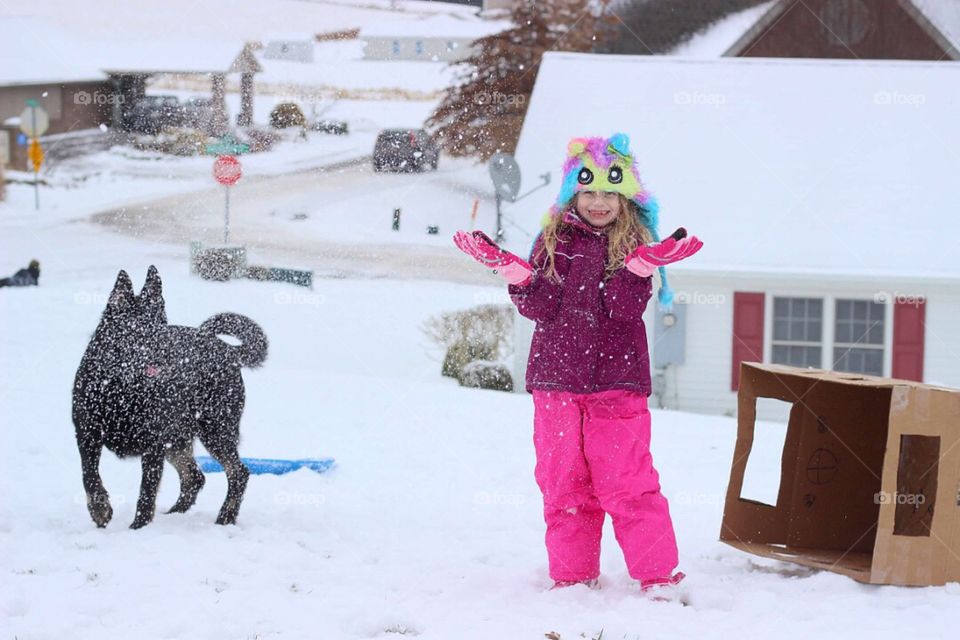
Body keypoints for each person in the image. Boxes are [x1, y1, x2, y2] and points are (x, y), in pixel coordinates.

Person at [453, 133, 702, 598]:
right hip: (557, 383)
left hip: (617, 385)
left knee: (628, 483)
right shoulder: (553, 240)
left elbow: (623, 309)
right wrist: (516, 274)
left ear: (626, 196)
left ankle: (658, 578)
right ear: (573, 193)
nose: (599, 201)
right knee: (564, 485)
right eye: (588, 191)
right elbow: (543, 306)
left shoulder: (633, 244)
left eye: (610, 191)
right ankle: (571, 579)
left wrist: (639, 268)